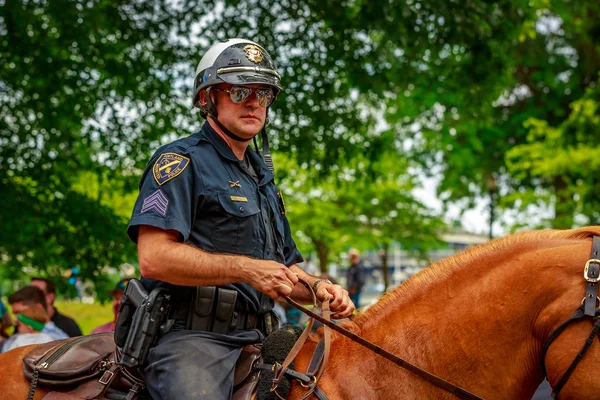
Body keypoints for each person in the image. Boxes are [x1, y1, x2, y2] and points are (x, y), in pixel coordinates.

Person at [126, 38, 354, 400]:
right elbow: (154, 258)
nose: (253, 102)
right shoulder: (179, 161)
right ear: (207, 98)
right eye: (240, 90)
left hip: (265, 336)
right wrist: (247, 269)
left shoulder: (262, 177)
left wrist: (318, 289)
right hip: (194, 341)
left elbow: (283, 272)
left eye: (263, 94)